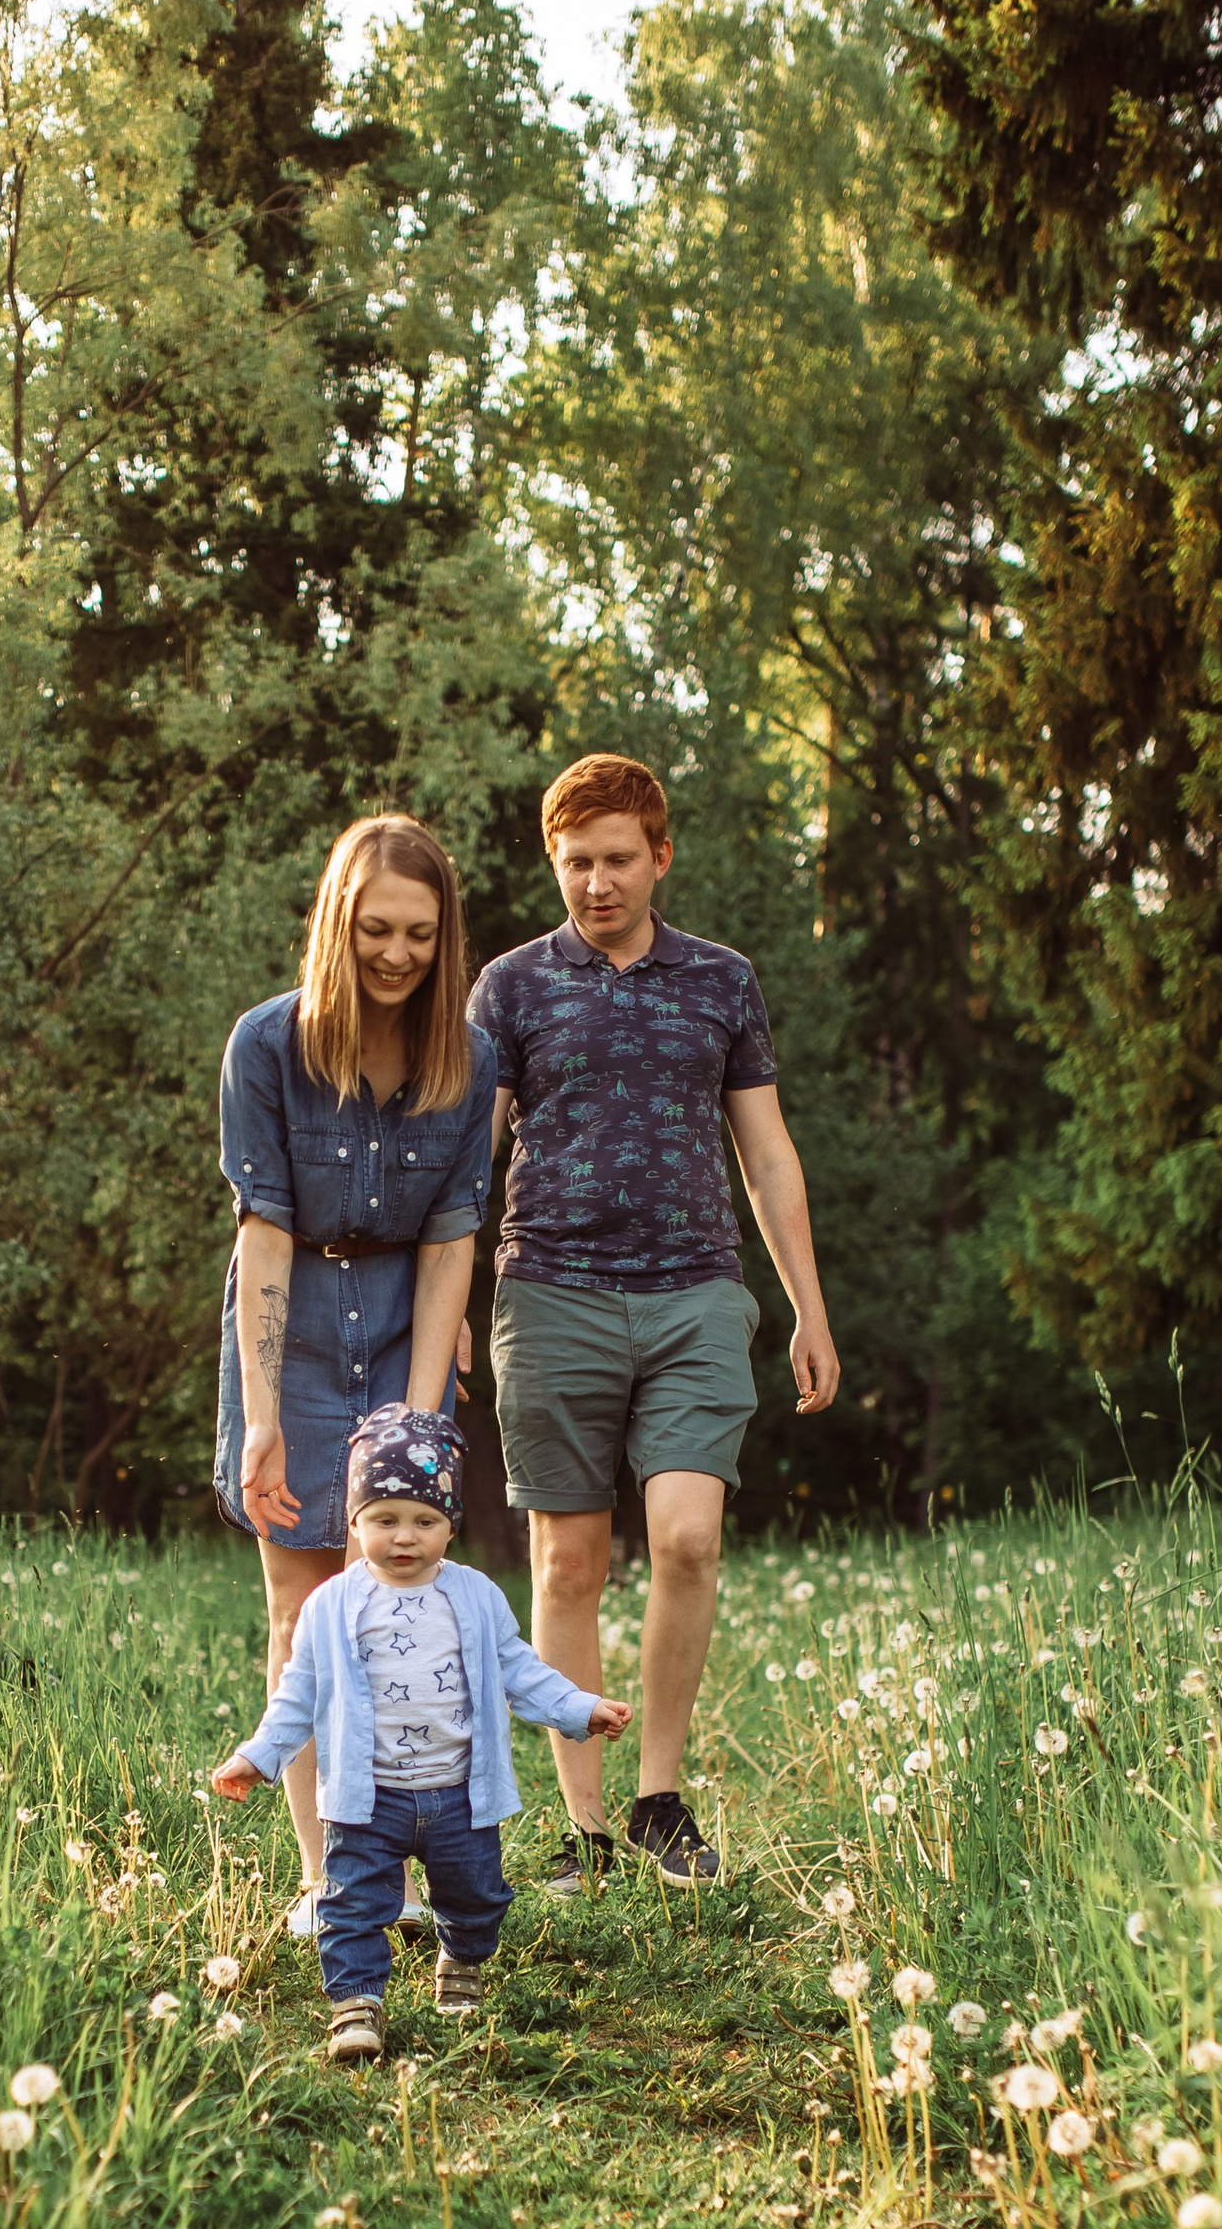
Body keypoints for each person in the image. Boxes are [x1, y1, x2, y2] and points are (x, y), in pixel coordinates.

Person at [472, 753, 840, 1891]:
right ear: (554, 863)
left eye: (617, 860)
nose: (595, 883)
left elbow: (767, 1154)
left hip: (694, 1292)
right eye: (575, 863)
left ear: (660, 856)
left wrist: (805, 1309)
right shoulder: (510, 988)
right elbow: (467, 1161)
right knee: (569, 1561)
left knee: (685, 1536)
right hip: (549, 1292)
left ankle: (658, 1801)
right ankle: (583, 1830)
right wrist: (434, 1309)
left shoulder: (721, 981)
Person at [214, 816, 496, 1938]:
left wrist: (423, 1424)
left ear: (445, 938)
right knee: (301, 1607)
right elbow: (264, 1235)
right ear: (337, 921)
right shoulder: (267, 1046)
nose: (394, 954)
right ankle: (327, 1877)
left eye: (419, 935)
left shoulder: (462, 1066)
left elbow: (448, 1250)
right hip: (289, 1331)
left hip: (400, 1325)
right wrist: (264, 1417)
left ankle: (394, 1860)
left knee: (396, 1606)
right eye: (374, 928)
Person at [212, 1405, 628, 2062]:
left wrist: (579, 1708)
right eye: (384, 1520)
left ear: (450, 1526)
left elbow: (518, 1668)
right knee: (348, 1903)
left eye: (424, 1521)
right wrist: (257, 1756)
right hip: (366, 1797)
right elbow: (298, 1694)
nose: (404, 1537)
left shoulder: (475, 1596)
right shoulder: (331, 1605)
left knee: (477, 1894)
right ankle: (356, 2006)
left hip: (458, 1794)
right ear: (354, 1521)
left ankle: (461, 1961)